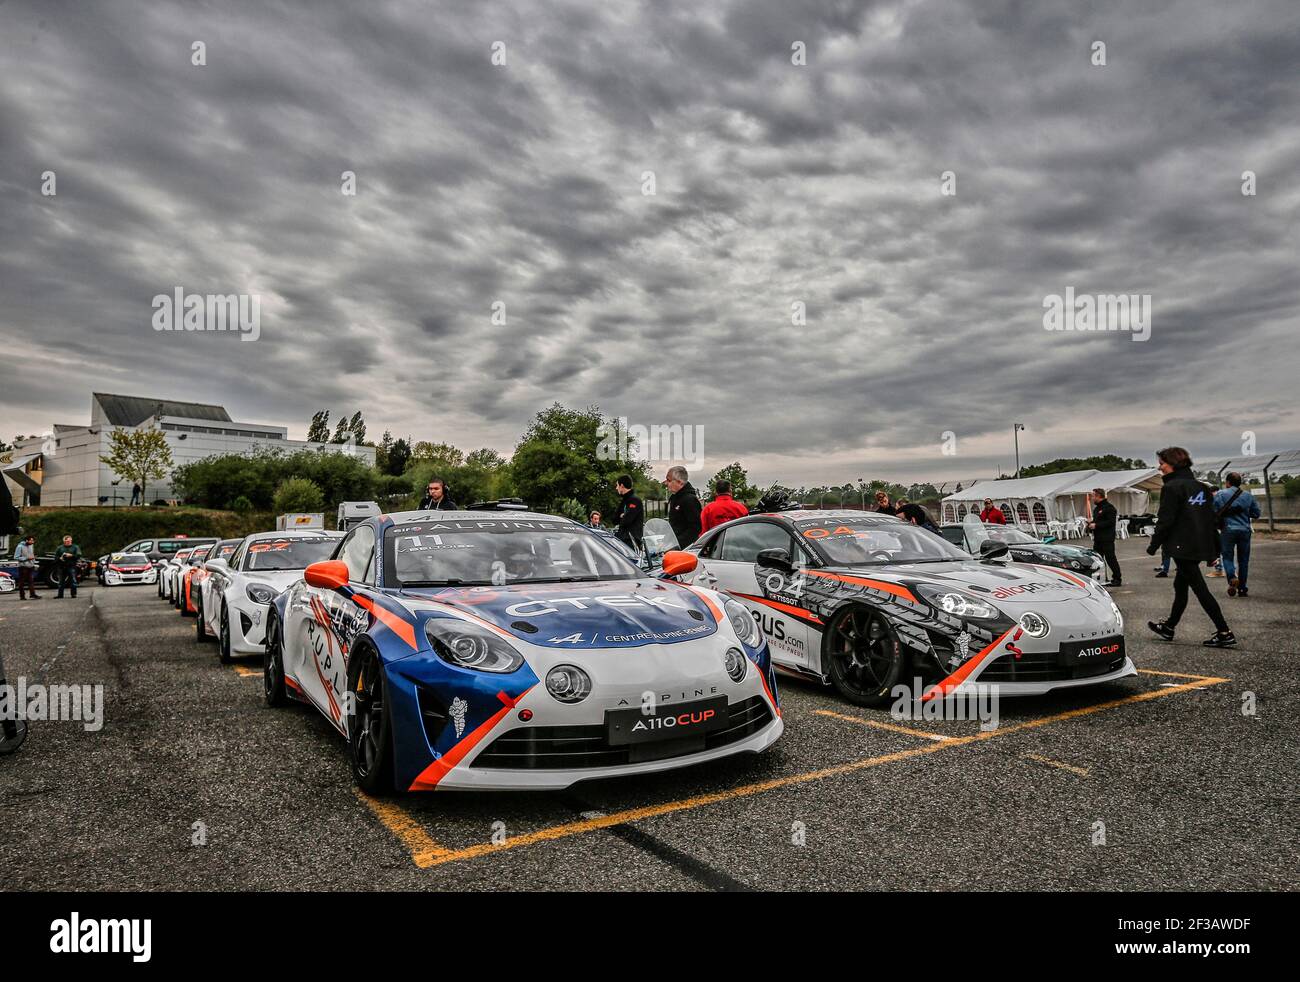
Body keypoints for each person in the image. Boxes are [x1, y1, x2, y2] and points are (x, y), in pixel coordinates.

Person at [1146, 447, 1235, 647]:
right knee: (1180, 585)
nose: (1159, 468)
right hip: (1197, 545)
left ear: (1173, 464)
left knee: (1200, 589)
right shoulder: (1201, 487)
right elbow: (1210, 520)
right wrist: (1214, 549)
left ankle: (1224, 631)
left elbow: (1165, 520)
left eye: (1162, 463)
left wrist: (1154, 544)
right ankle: (1169, 627)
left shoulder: (1171, 488)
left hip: (1181, 547)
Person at [1215, 472, 1261, 598]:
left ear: (1228, 482)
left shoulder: (1220, 494)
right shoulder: (1248, 496)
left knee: (1227, 557)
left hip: (1228, 529)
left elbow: (1214, 511)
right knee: (1244, 560)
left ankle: (1232, 578)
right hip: (1245, 530)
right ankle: (1242, 588)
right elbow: (1256, 514)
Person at [1086, 488, 1121, 587]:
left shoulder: (1109, 508)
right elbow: (1098, 521)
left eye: (1093, 496)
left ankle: (1117, 578)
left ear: (1098, 496)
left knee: (1110, 559)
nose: (1092, 498)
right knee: (1097, 559)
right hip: (1098, 538)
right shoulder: (1097, 509)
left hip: (1107, 538)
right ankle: (1101, 578)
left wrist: (1096, 525)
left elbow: (1110, 522)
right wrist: (1091, 523)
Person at [664, 466, 702, 548]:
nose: (666, 483)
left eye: (669, 480)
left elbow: (695, 528)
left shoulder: (690, 500)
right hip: (673, 546)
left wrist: (677, 544)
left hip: (685, 549)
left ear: (680, 482)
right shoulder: (675, 498)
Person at [613, 475, 644, 549]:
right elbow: (614, 520)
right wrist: (622, 516)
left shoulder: (635, 500)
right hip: (621, 540)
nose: (616, 488)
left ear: (622, 485)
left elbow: (627, 520)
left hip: (631, 541)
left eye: (617, 485)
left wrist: (623, 516)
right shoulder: (624, 501)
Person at [54, 534, 82, 599]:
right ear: (64, 541)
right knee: (61, 581)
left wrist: (71, 555)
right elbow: (55, 557)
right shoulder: (60, 548)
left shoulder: (75, 547)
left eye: (70, 541)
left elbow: (79, 555)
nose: (69, 542)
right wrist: (60, 558)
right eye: (67, 541)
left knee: (73, 580)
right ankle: (60, 595)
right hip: (61, 566)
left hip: (71, 565)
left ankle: (73, 594)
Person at [14, 535, 41, 600]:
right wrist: (27, 558)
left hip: (30, 566)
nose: (33, 542)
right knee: (22, 582)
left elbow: (31, 554)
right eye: (31, 540)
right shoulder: (19, 546)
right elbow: (16, 557)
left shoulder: (31, 545)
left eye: (33, 540)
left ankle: (32, 595)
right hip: (23, 567)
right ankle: (22, 596)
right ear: (26, 540)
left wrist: (33, 560)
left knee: (31, 581)